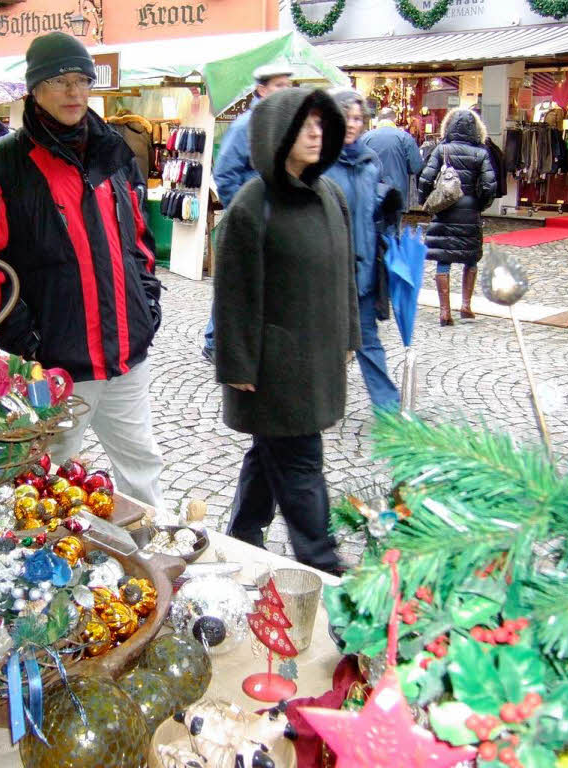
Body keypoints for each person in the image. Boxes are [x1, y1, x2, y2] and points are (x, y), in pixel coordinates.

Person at [0, 32, 166, 514]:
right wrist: (29, 343)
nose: (73, 92)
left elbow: (139, 241)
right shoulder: (3, 168)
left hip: (128, 354)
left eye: (81, 80)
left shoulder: (113, 154)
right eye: (59, 81)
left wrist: (147, 306)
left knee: (142, 465)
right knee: (44, 474)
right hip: (58, 364)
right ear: (35, 90)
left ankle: (152, 555)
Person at [214, 87, 358, 574]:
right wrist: (235, 364)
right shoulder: (252, 206)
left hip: (317, 357)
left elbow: (345, 278)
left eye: (322, 122)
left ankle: (242, 535)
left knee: (269, 451)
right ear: (278, 134)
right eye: (304, 124)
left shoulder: (330, 196)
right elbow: (232, 293)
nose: (317, 132)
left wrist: (347, 338)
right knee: (299, 463)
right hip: (274, 368)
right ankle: (322, 560)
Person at [203, 64, 293, 364]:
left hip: (275, 219)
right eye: (280, 85)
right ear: (262, 89)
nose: (286, 90)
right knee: (237, 283)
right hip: (249, 218)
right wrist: (246, 211)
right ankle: (215, 341)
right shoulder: (247, 126)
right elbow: (225, 174)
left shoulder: (281, 124)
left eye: (288, 85)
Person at [324, 90, 402, 411]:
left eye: (357, 118)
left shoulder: (370, 163)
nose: (352, 124)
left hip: (365, 269)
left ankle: (389, 409)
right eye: (346, 118)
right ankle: (322, 399)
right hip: (329, 271)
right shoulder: (321, 163)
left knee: (368, 339)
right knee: (326, 341)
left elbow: (373, 215)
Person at [418, 107, 497, 326]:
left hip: (445, 208)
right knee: (470, 257)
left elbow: (425, 179)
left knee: (444, 258)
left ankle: (444, 311)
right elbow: (490, 185)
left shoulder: (441, 149)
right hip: (470, 210)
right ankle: (466, 305)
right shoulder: (480, 153)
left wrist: (428, 202)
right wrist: (480, 204)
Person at [358, 106, 422, 216]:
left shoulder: (365, 138)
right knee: (393, 230)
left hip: (370, 193)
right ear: (394, 120)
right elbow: (416, 167)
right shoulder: (405, 138)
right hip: (396, 195)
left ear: (378, 120)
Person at [107, 108, 153, 183]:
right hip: (141, 180)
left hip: (121, 182)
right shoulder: (144, 131)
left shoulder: (112, 128)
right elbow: (151, 159)